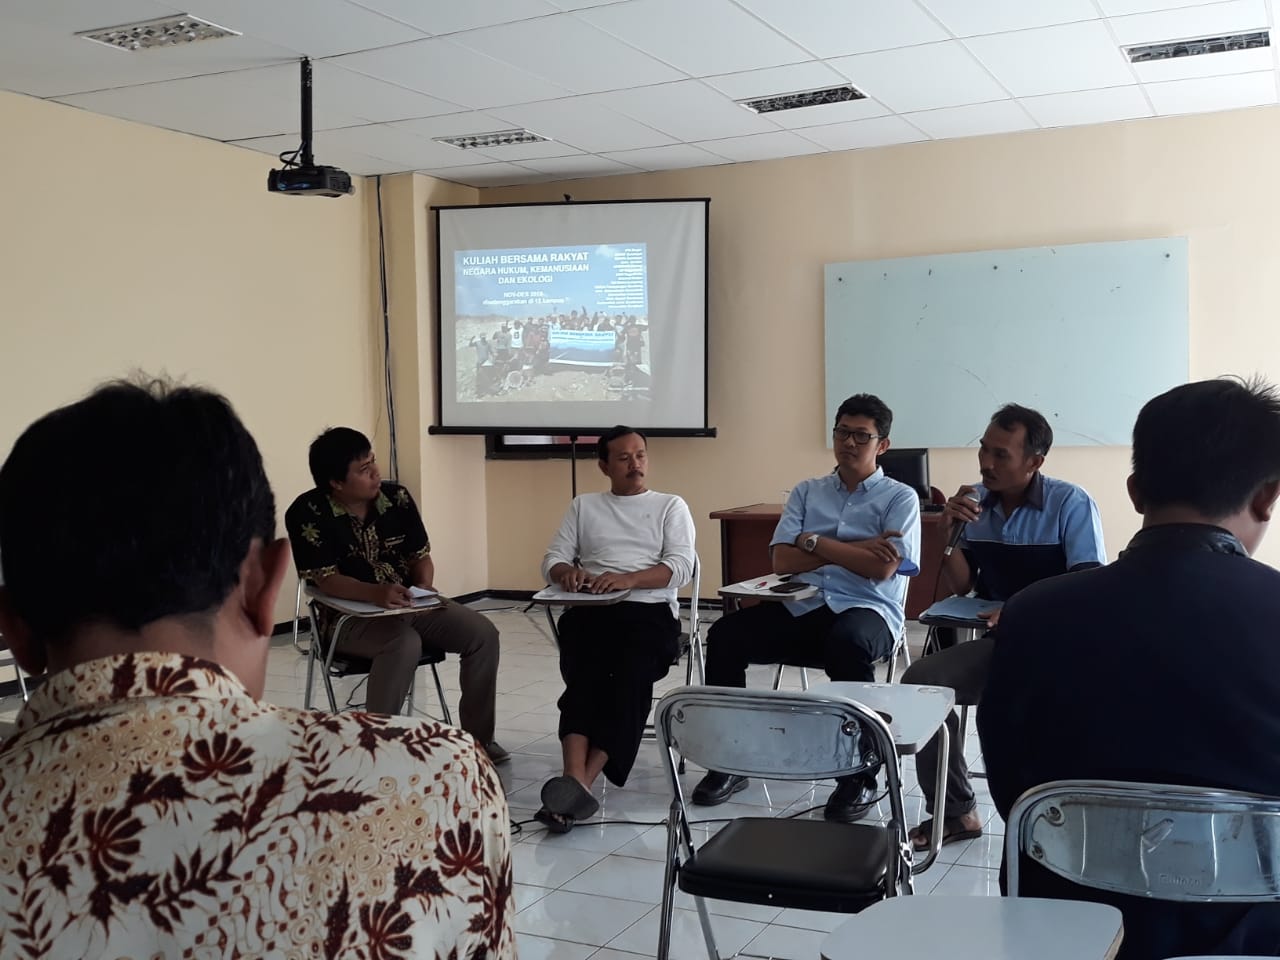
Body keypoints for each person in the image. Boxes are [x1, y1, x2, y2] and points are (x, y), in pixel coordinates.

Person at [0, 379, 514, 959]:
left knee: (478, 631)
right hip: (363, 620)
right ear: (267, 587)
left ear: (13, 628)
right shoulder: (437, 778)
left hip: (411, 605)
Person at [979, 377, 1280, 960]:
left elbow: (1014, 791)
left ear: (1136, 491)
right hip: (1252, 937)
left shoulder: (1035, 615)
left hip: (1067, 923)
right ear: (1268, 496)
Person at [693, 394, 921, 821]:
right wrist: (851, 549)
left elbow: (883, 569)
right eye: (842, 432)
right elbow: (782, 560)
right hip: (804, 605)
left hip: (868, 611)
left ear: (882, 445)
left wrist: (813, 542)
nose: (849, 443)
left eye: (861, 436)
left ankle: (859, 776)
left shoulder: (900, 498)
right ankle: (729, 761)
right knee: (725, 635)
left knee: (847, 642)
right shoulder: (807, 491)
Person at [902, 404, 1105, 850]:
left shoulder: (1070, 504)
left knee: (1026, 712)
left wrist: (1022, 608)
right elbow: (964, 583)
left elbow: (1086, 586)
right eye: (983, 450)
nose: (986, 464)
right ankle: (957, 812)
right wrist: (947, 533)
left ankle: (1068, 817)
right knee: (921, 680)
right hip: (1003, 643)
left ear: (1035, 462)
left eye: (1001, 455)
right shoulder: (975, 504)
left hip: (1060, 646)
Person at [285, 427, 507, 763]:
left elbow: (420, 555)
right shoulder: (307, 513)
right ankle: (379, 748)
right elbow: (326, 581)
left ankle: (478, 741)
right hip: (346, 618)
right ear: (336, 482)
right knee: (403, 643)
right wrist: (376, 594)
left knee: (482, 634)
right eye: (363, 470)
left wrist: (424, 584)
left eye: (373, 462)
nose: (376, 473)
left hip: (409, 603)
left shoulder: (397, 499)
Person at [537, 426, 695, 832]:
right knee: (583, 677)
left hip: (649, 612)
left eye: (640, 455)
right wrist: (566, 573)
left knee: (628, 677)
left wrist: (630, 579)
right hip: (593, 609)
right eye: (624, 458)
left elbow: (680, 567)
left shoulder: (669, 505)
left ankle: (578, 785)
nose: (635, 464)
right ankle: (574, 780)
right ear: (604, 465)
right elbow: (553, 558)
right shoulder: (585, 506)